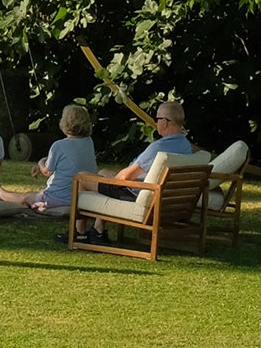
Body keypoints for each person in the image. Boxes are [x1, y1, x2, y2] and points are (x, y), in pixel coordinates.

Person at [64, 100, 192, 244]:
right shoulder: (185, 146)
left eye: (157, 119)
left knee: (81, 177)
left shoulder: (158, 148)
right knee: (104, 172)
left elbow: (126, 177)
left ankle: (79, 232)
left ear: (165, 122)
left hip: (134, 192)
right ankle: (98, 230)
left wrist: (115, 178)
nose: (156, 123)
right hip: (165, 200)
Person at [0, 104, 96, 210]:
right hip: (80, 197)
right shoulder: (88, 142)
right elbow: (65, 158)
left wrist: (40, 162)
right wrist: (46, 160)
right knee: (33, 195)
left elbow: (47, 171)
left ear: (65, 122)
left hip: (59, 198)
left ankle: (0, 193)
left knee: (26, 197)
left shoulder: (59, 145)